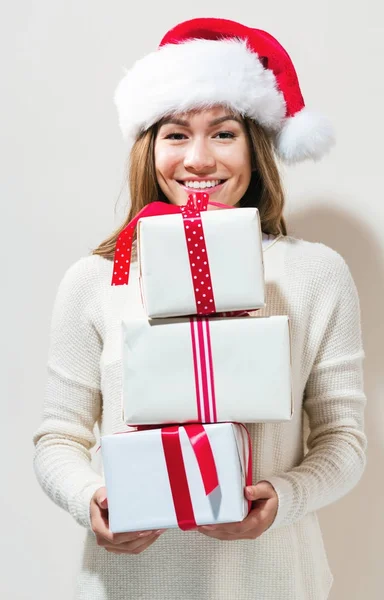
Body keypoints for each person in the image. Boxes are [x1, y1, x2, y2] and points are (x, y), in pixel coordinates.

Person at [32, 17, 367, 600]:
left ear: (257, 148)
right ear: (149, 148)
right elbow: (58, 436)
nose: (200, 160)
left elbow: (344, 439)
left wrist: (283, 499)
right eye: (177, 134)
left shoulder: (315, 273)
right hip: (128, 582)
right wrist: (91, 500)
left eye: (225, 133)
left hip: (272, 580)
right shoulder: (94, 280)